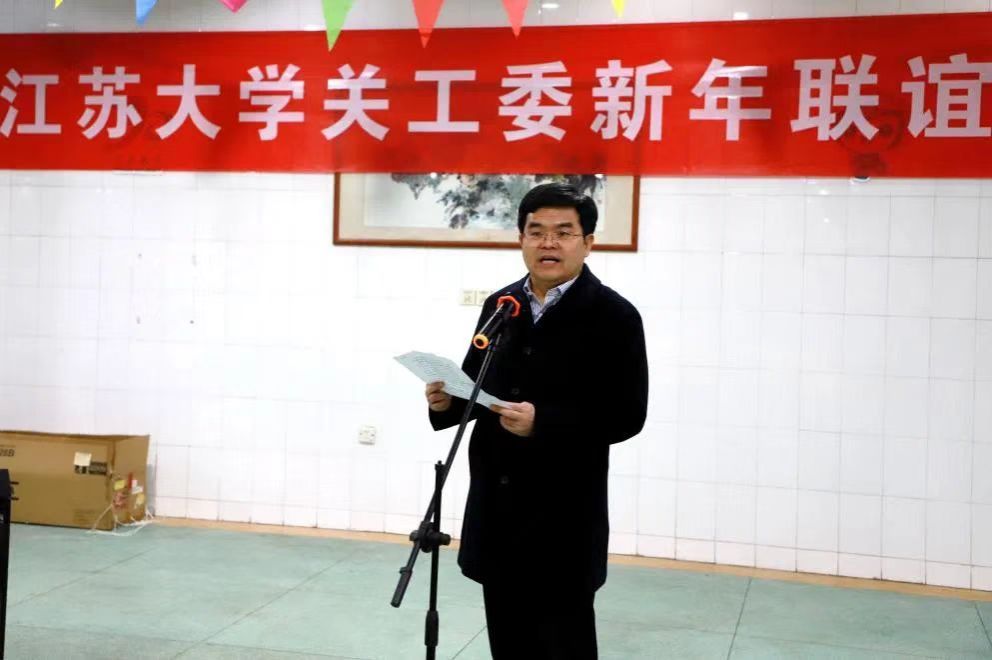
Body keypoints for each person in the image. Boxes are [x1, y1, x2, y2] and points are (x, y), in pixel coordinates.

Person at [423, 182, 648, 659]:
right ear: (521, 238)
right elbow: (476, 385)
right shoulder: (501, 305)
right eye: (537, 231)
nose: (549, 243)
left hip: (563, 515)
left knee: (564, 644)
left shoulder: (615, 316)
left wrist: (542, 423)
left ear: (588, 242)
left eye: (563, 232)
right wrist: (446, 403)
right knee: (508, 643)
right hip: (498, 507)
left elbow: (627, 414)